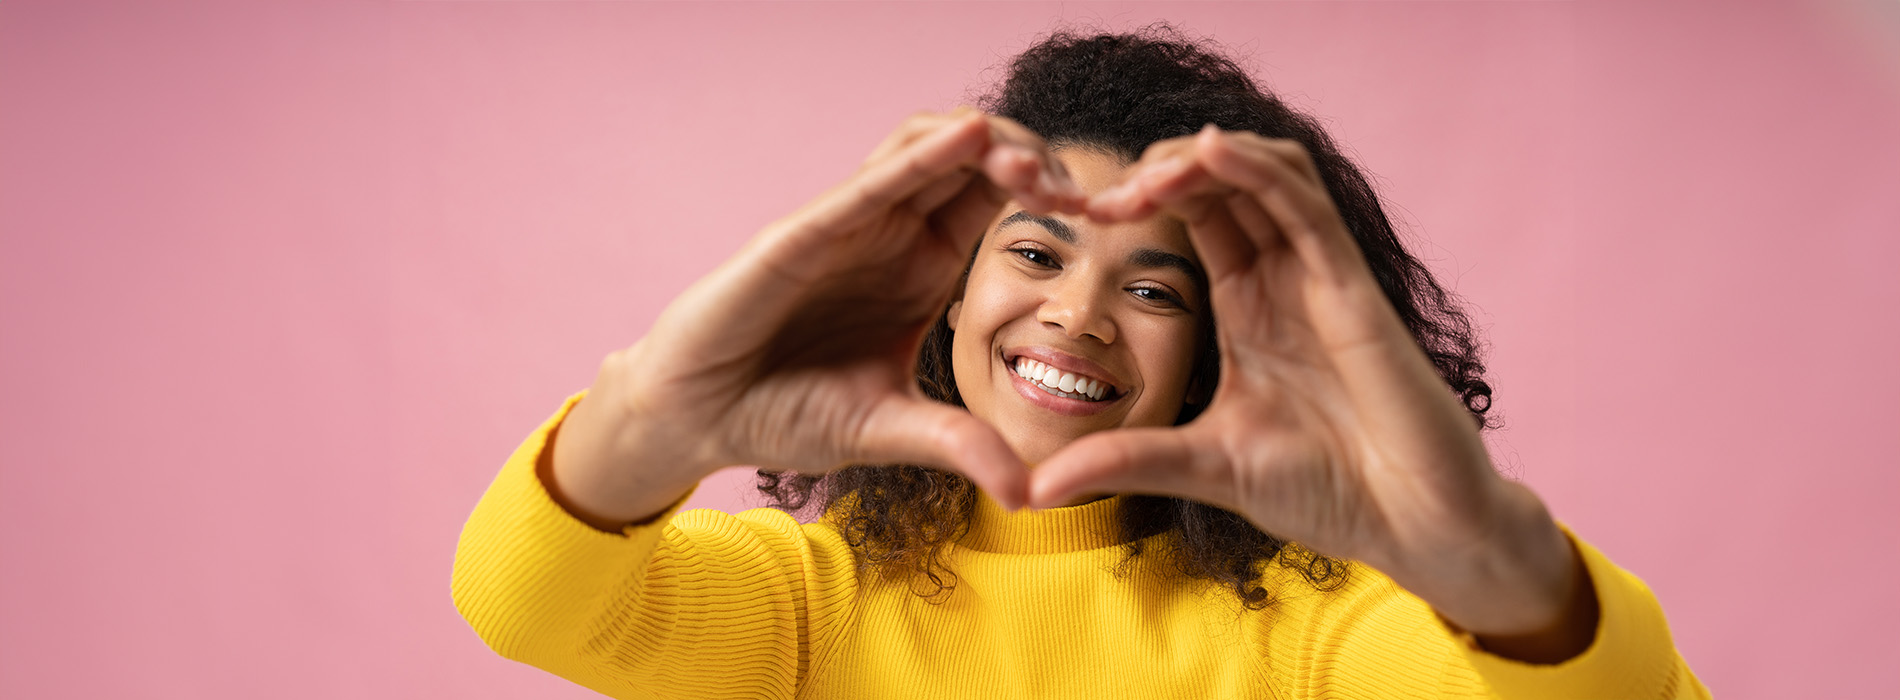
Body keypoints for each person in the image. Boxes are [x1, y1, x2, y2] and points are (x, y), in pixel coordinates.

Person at [452, 27, 1710, 699]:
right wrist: (661, 414)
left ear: (1216, 351)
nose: (1079, 316)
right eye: (1038, 255)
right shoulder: (802, 605)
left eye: (1155, 285)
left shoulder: (1320, 636)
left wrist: (1479, 547)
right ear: (951, 292)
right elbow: (527, 601)